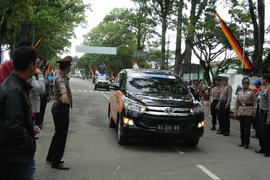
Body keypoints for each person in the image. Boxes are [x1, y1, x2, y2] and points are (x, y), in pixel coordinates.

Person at [0, 46, 37, 179]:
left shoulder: (14, 84)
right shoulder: (14, 90)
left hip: (13, 155)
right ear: (31, 65)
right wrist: (30, 146)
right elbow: (14, 126)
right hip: (15, 158)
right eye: (35, 63)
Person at [46, 56, 73, 170]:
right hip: (61, 108)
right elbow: (62, 86)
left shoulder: (62, 75)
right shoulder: (60, 77)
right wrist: (64, 93)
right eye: (70, 65)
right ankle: (56, 162)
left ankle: (51, 156)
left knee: (58, 133)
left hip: (59, 108)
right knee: (61, 136)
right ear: (67, 67)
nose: (71, 67)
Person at [234, 77, 257, 149]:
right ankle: (242, 142)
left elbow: (255, 102)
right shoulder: (239, 92)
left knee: (247, 129)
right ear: (242, 83)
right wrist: (235, 112)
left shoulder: (251, 92)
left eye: (248, 83)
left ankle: (246, 143)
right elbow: (237, 102)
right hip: (241, 112)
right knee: (242, 128)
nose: (246, 84)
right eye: (245, 83)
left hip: (249, 112)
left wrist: (254, 111)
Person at [255, 74, 270, 157]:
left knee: (266, 132)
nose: (261, 80)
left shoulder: (269, 89)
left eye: (262, 79)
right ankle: (262, 148)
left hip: (266, 113)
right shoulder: (262, 88)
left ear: (266, 80)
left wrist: (269, 117)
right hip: (260, 112)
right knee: (260, 131)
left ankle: (268, 150)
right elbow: (258, 97)